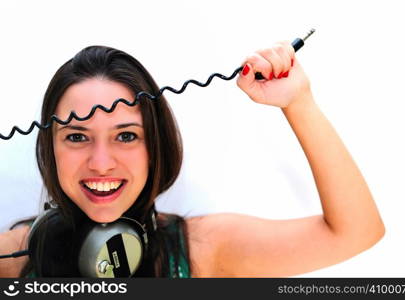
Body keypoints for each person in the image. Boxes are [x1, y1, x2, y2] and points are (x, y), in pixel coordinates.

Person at [0, 41, 385, 277]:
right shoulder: (15, 256)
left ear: (157, 146)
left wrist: (298, 103)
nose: (101, 162)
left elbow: (354, 233)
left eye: (127, 135)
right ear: (50, 149)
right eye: (78, 136)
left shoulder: (204, 249)